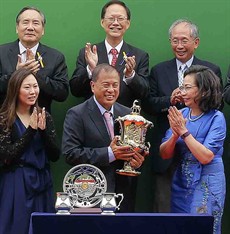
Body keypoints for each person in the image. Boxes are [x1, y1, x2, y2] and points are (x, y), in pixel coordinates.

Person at [141, 18, 223, 212]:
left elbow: (217, 105)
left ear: (196, 42)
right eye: (174, 40)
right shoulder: (159, 70)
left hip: (202, 162)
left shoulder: (211, 70)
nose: (179, 45)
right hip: (169, 154)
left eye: (184, 40)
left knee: (201, 214)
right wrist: (170, 100)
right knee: (164, 210)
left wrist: (185, 130)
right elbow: (149, 104)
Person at [62, 63, 148, 212]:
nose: (111, 90)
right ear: (93, 86)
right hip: (91, 194)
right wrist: (109, 153)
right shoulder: (77, 114)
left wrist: (137, 161)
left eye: (115, 85)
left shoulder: (129, 114)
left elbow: (136, 151)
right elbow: (70, 153)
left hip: (124, 194)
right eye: (106, 85)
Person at [160, 65, 226, 234]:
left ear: (203, 90)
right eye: (182, 87)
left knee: (201, 228)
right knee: (180, 227)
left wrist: (183, 132)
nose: (182, 91)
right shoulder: (180, 114)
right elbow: (164, 153)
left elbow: (205, 156)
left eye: (187, 87)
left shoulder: (217, 117)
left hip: (208, 182)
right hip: (182, 181)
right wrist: (175, 135)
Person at [0, 68, 60, 234]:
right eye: (27, 87)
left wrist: (42, 131)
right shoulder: (5, 119)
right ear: (15, 89)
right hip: (16, 182)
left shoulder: (44, 115)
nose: (33, 91)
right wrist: (31, 130)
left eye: (35, 86)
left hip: (42, 181)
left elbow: (55, 155)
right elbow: (7, 156)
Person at [69, 0, 149, 108]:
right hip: (92, 119)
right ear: (102, 22)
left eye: (120, 19)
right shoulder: (88, 53)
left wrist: (131, 75)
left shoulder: (139, 56)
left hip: (125, 120)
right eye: (111, 18)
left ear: (128, 23)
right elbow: (75, 90)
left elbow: (145, 94)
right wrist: (90, 69)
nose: (115, 23)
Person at [0, 6, 69, 113]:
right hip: (4, 120)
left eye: (36, 23)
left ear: (43, 30)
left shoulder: (55, 57)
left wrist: (37, 75)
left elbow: (62, 94)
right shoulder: (1, 53)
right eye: (25, 22)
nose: (30, 27)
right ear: (17, 28)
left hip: (39, 121)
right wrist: (16, 74)